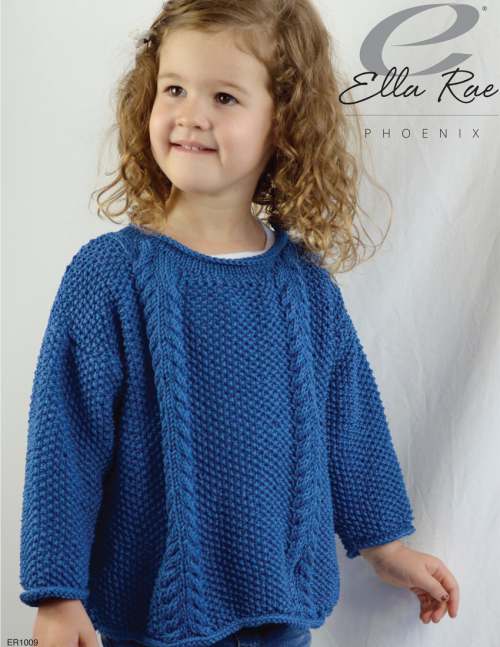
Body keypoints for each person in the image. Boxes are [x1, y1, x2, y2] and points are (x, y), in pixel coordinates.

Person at [19, 0, 460, 646]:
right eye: (175, 88)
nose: (191, 115)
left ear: (284, 123)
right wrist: (57, 593)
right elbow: (65, 440)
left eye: (224, 97)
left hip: (282, 613)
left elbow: (350, 421)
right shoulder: (109, 277)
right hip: (150, 617)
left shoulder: (305, 286)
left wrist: (385, 544)